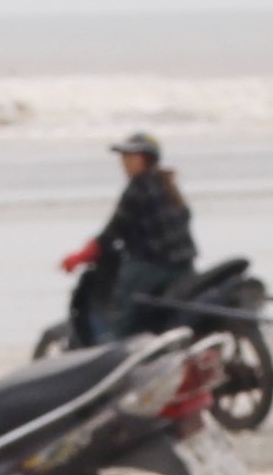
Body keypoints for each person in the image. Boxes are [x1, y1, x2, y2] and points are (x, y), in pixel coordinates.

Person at [62, 132, 201, 349]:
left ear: (144, 158)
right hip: (184, 266)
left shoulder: (139, 188)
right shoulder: (166, 184)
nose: (124, 163)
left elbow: (113, 231)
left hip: (152, 266)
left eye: (129, 156)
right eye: (123, 157)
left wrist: (80, 257)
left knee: (121, 315)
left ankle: (116, 355)